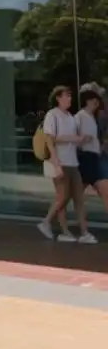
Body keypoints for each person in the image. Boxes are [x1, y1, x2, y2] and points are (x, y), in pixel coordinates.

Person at [37, 85, 94, 243]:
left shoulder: (70, 117)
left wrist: (81, 140)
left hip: (72, 162)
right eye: (66, 96)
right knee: (62, 196)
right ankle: (50, 224)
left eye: (70, 96)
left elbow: (71, 140)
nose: (69, 99)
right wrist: (56, 163)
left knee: (77, 197)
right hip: (60, 162)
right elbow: (50, 139)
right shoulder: (52, 115)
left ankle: (83, 232)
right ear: (58, 98)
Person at [75, 86, 108, 223]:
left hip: (94, 158)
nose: (97, 102)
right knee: (69, 196)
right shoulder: (80, 117)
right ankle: (51, 220)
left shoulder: (93, 117)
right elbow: (73, 138)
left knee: (73, 195)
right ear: (87, 100)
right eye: (94, 99)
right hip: (86, 159)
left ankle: (51, 220)